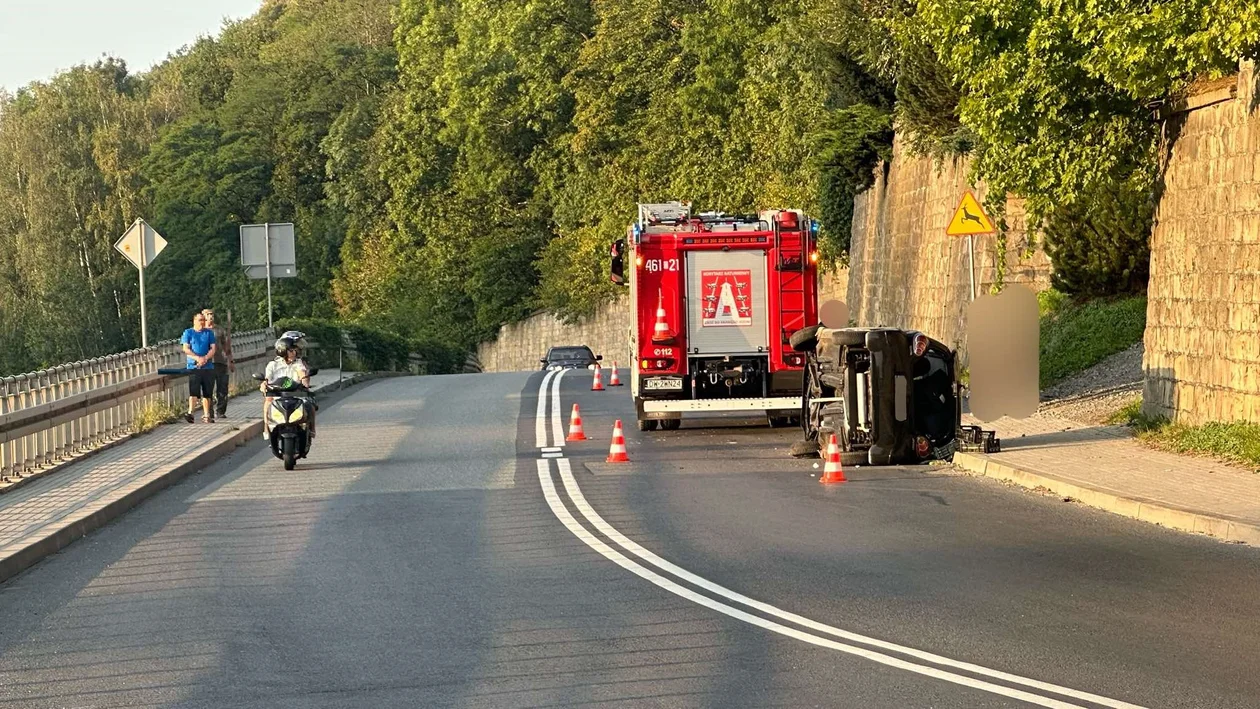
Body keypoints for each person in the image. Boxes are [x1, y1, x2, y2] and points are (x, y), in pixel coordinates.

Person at [261, 334, 313, 441]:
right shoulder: (272, 365)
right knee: (268, 401)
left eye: (295, 350)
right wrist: (264, 385)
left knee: (309, 404)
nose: (295, 352)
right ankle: (266, 427)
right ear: (283, 351)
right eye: (291, 350)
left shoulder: (298, 363)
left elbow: (302, 373)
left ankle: (312, 429)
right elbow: (266, 379)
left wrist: (304, 381)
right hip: (277, 394)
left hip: (296, 394)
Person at [180, 312, 217, 423]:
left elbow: (213, 348)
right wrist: (197, 358)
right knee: (194, 391)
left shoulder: (209, 333)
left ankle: (206, 415)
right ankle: (191, 412)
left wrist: (205, 358)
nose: (201, 322)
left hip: (207, 366)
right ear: (194, 321)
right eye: (199, 320)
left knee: (207, 392)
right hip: (194, 366)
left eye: (203, 320)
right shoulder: (188, 333)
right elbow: (186, 348)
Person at [202, 308, 234, 419]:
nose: (211, 316)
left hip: (221, 362)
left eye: (212, 314)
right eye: (208, 314)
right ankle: (209, 412)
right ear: (204, 317)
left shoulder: (219, 330)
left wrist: (230, 360)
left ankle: (220, 411)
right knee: (208, 389)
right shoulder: (201, 331)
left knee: (222, 389)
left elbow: (226, 346)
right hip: (207, 363)